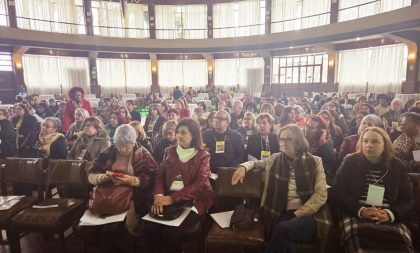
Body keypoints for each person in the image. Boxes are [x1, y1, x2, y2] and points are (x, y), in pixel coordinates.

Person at [232, 124, 327, 253]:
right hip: (278, 210)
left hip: (308, 212)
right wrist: (243, 167)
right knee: (287, 240)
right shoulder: (275, 158)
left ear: (298, 140)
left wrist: (298, 213)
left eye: (288, 139)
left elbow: (320, 195)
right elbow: (255, 163)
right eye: (281, 139)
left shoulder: (315, 161)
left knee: (282, 228)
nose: (283, 143)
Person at [330, 127, 415, 253]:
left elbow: (407, 199)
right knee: (358, 241)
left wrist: (390, 214)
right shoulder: (350, 161)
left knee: (401, 242)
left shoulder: (397, 165)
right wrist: (361, 210)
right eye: (365, 141)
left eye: (375, 141)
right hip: (356, 213)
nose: (368, 145)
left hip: (389, 216)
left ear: (385, 145)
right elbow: (337, 192)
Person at [87, 124, 159, 252]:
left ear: (134, 142)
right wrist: (104, 177)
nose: (123, 149)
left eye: (127, 145)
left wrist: (132, 180)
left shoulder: (142, 153)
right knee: (92, 229)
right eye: (119, 145)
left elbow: (153, 177)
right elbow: (91, 172)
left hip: (133, 198)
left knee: (111, 230)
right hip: (106, 195)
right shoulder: (109, 152)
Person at [147, 118, 215, 253]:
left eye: (183, 133)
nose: (179, 136)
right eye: (178, 132)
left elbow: (199, 185)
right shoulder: (169, 151)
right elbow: (160, 176)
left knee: (169, 232)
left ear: (194, 135)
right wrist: (159, 195)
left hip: (195, 200)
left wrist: (172, 199)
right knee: (150, 228)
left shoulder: (203, 155)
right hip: (169, 197)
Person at [304, 115, 337, 185]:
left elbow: (331, 161)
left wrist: (322, 142)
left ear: (319, 130)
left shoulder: (325, 141)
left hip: (320, 177)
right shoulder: (302, 138)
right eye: (306, 126)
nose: (307, 129)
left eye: (311, 128)